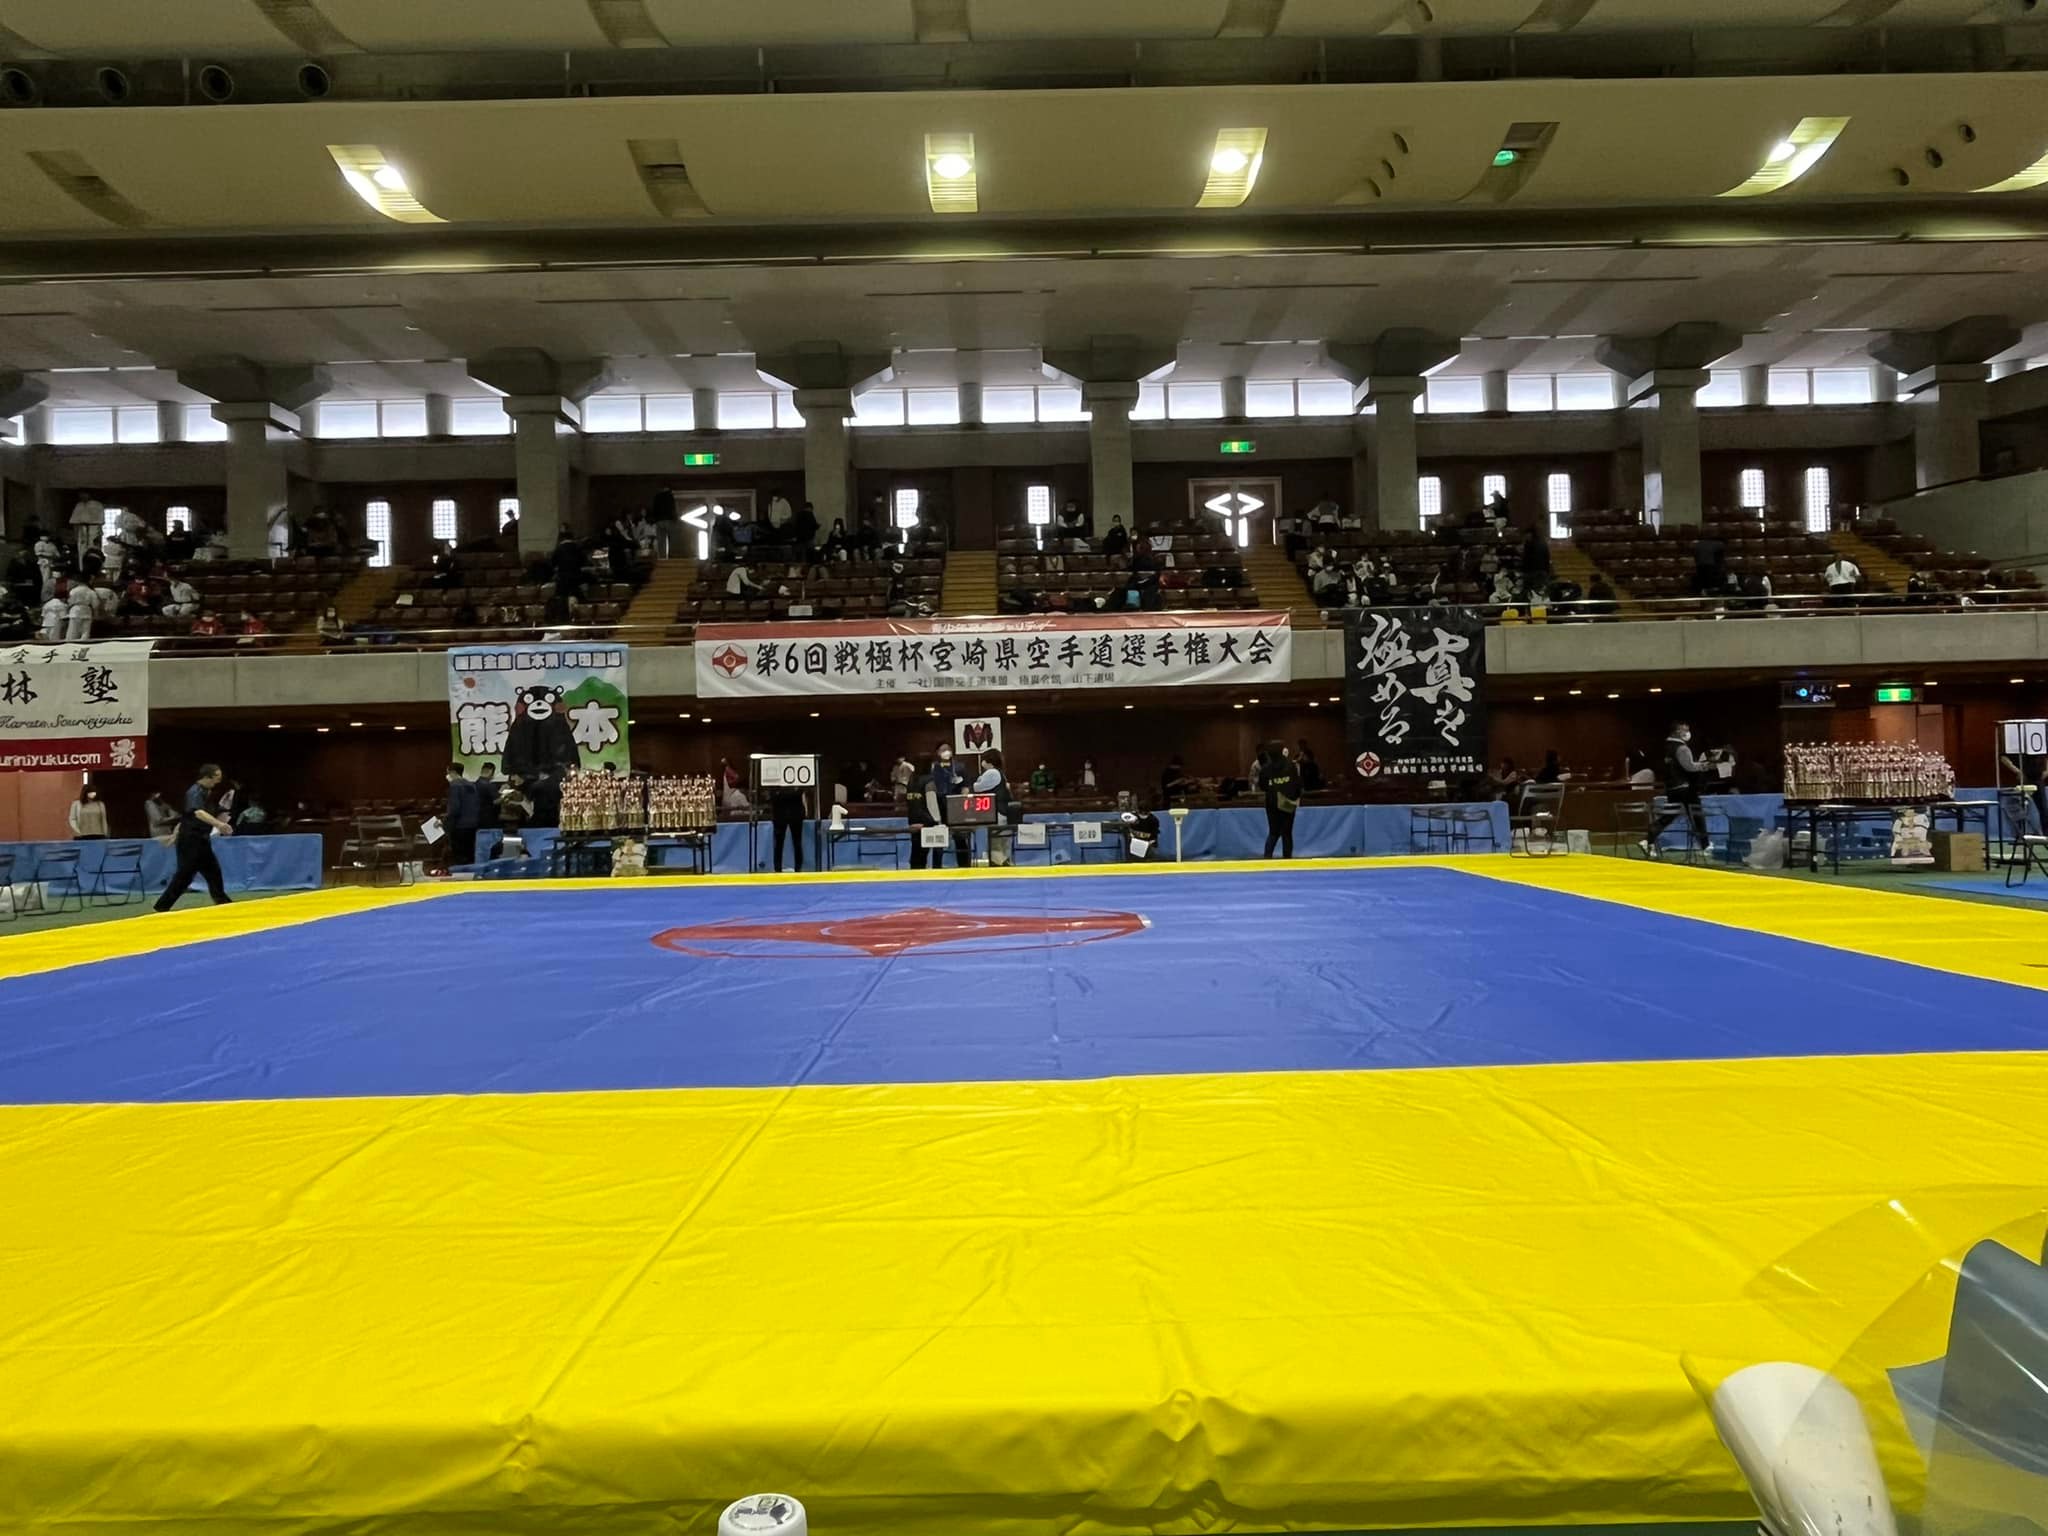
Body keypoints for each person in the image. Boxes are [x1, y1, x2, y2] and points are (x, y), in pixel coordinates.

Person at [153, 764, 234, 911]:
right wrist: (219, 824)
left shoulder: (208, 792)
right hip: (191, 840)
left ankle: (222, 901)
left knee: (213, 871)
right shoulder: (194, 792)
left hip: (201, 839)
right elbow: (197, 813)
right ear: (207, 777)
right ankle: (162, 906)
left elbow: (187, 816)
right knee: (184, 876)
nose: (219, 781)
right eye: (217, 777)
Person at [1646, 723, 1711, 857]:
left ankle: (1648, 839)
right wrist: (1706, 766)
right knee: (1697, 815)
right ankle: (1705, 846)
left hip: (1671, 787)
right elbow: (1689, 767)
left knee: (1670, 814)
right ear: (1676, 732)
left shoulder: (1665, 747)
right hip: (1684, 787)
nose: (1687, 733)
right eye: (1684, 730)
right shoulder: (1682, 748)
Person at [1260, 742, 1300, 859]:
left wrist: (1273, 789)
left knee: (1273, 832)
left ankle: (1267, 859)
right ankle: (1287, 861)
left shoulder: (1265, 769)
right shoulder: (1291, 766)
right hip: (1288, 802)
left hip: (1272, 802)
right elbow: (1297, 784)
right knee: (1287, 833)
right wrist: (1294, 796)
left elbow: (1262, 786)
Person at [769, 778, 810, 874]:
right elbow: (773, 795)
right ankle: (778, 869)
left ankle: (798, 868)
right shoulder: (775, 782)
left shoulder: (797, 781)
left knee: (797, 842)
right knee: (779, 843)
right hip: (780, 813)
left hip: (794, 813)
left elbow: (801, 791)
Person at [442, 763, 480, 866]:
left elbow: (454, 809)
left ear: (453, 772)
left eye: (448, 772)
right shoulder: (472, 785)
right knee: (470, 855)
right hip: (473, 825)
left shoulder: (455, 786)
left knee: (460, 857)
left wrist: (444, 822)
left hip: (460, 826)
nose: (447, 775)